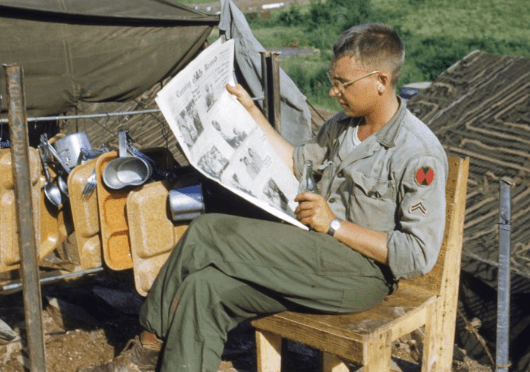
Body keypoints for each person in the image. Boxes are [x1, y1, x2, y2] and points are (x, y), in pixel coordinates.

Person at [79, 23, 447, 372]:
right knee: (204, 288)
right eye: (332, 81)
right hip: (312, 255)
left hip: (360, 274)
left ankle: (147, 345)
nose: (334, 91)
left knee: (208, 233)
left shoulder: (416, 153)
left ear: (381, 81)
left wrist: (334, 225)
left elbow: (417, 255)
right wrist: (252, 114)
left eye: (343, 83)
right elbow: (296, 161)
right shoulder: (343, 125)